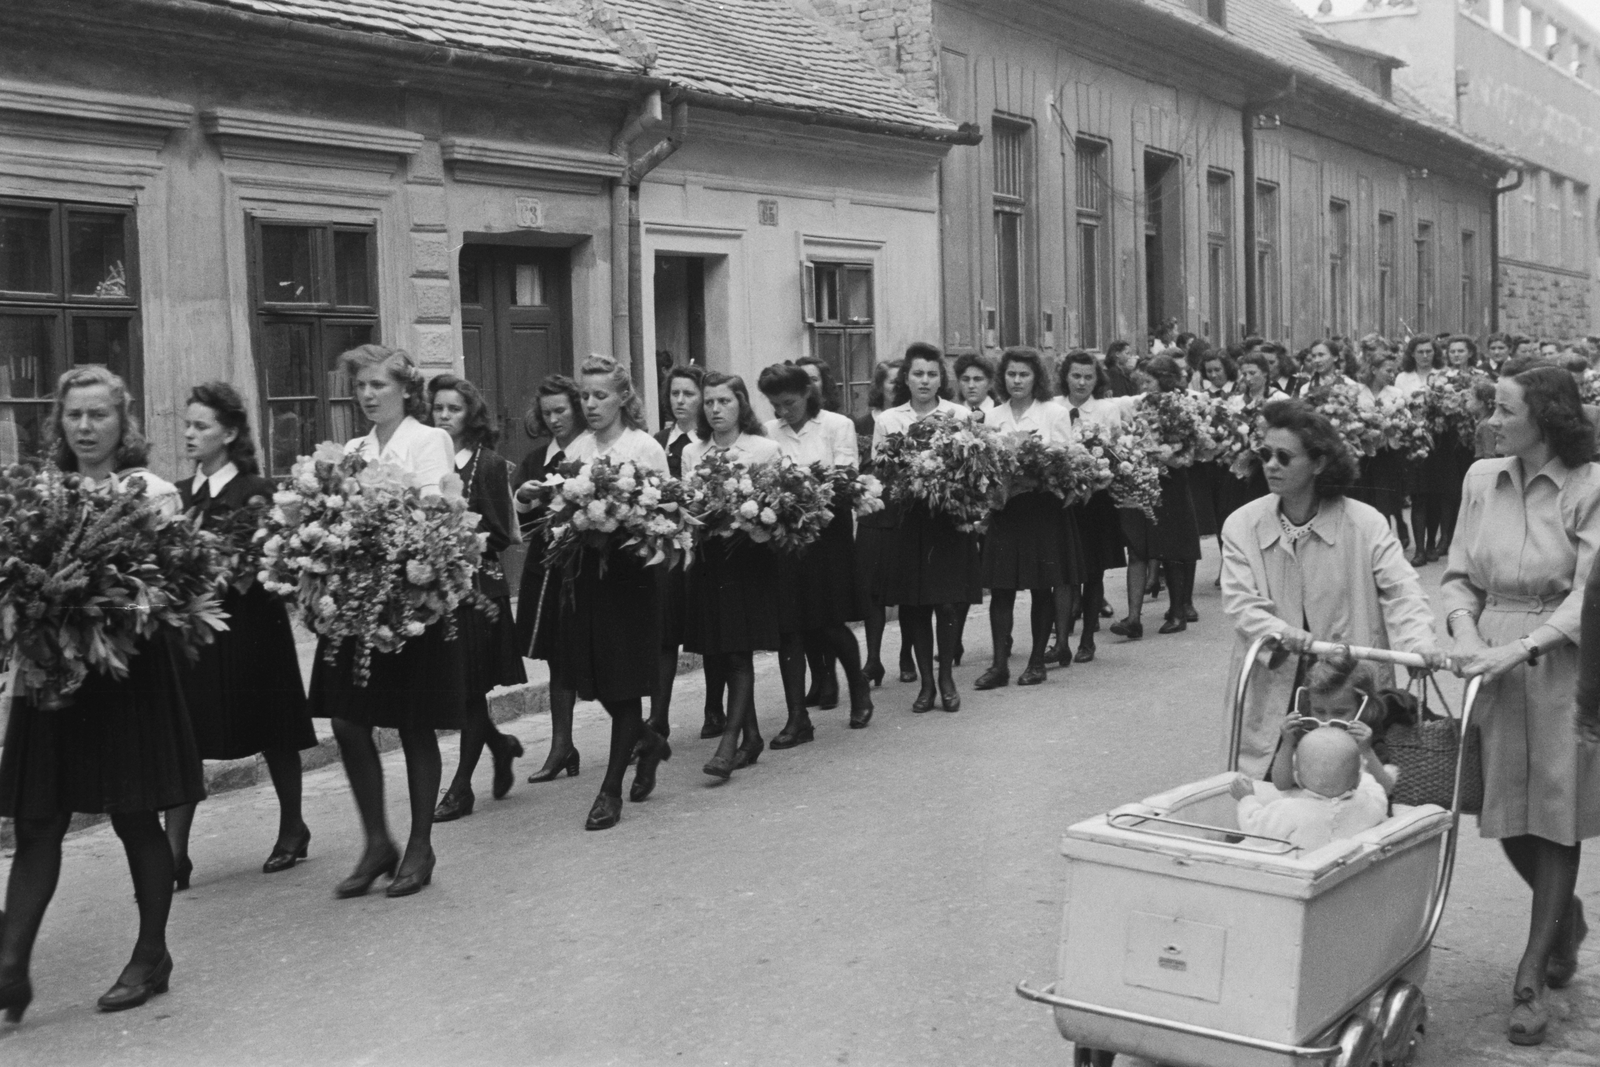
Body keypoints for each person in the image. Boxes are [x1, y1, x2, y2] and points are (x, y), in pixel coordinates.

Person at [0, 367, 204, 1021]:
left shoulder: (149, 491)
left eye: (98, 415)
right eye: (74, 416)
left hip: (125, 679)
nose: (85, 427)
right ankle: (10, 965)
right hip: (50, 678)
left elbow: (164, 591)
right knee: (37, 821)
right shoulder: (41, 492)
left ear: (124, 421)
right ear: (57, 423)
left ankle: (151, 954)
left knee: (134, 814)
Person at [1444, 365, 1600, 1046]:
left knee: (1555, 814)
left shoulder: (1589, 486)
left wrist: (1524, 646)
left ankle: (1532, 975)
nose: (1493, 419)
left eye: (1505, 409)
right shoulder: (1481, 479)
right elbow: (1457, 576)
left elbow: (1588, 592)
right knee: (1506, 813)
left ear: (1545, 416)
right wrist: (1463, 632)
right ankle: (1563, 914)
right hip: (1494, 662)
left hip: (1566, 660)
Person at [309, 345, 464, 898]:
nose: (368, 395)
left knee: (413, 722)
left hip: (410, 603)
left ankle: (420, 845)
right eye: (361, 387)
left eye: (378, 385)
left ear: (404, 388)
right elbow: (330, 511)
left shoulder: (428, 439)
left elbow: (435, 513)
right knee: (349, 722)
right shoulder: (351, 448)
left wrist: (374, 519)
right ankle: (377, 840)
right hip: (358, 605)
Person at [1220, 398, 1442, 778]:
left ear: (1319, 462)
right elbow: (1241, 603)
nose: (1271, 465)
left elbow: (1402, 588)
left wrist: (1418, 643)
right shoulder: (1242, 524)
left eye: (1284, 457)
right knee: (1273, 787)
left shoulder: (1364, 522)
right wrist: (1281, 632)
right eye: (1265, 454)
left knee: (1351, 788)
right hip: (1277, 679)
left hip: (1346, 685)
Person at [166, 383, 315, 888]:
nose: (189, 433)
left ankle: (293, 827)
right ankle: (174, 855)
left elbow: (260, 565)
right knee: (184, 738)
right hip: (196, 637)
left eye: (201, 425)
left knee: (273, 730)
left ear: (228, 433)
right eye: (187, 424)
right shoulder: (177, 496)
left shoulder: (257, 492)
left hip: (253, 631)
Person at [550, 355, 674, 829]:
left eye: (601, 395)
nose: (591, 403)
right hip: (585, 577)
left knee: (623, 685)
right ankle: (650, 741)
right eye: (585, 395)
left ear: (623, 397)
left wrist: (627, 515)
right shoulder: (579, 445)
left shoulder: (644, 447)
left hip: (631, 577)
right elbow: (565, 507)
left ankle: (610, 792)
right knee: (595, 680)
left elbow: (666, 513)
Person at [429, 375, 527, 822]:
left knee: (469, 690)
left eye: (454, 409)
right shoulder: (427, 462)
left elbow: (503, 535)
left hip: (477, 590)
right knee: (456, 689)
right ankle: (500, 745)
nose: (445, 417)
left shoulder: (486, 465)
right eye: (439, 409)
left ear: (471, 416)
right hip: (436, 591)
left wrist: (457, 535)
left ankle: (461, 787)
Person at [759, 364, 874, 742]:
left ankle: (858, 687)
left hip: (828, 536)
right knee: (789, 628)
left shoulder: (836, 425)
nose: (782, 412)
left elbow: (846, 478)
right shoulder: (769, 432)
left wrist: (801, 489)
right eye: (775, 404)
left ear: (808, 393)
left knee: (828, 622)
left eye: (789, 402)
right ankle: (797, 719)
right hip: (786, 541)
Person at [684, 373, 783, 777]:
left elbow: (779, 509)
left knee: (739, 652)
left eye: (724, 401)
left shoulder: (764, 449)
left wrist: (750, 522)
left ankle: (729, 743)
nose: (715, 409)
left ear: (741, 403)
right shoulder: (695, 453)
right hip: (709, 560)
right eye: (709, 403)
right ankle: (753, 736)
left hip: (746, 558)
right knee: (723, 653)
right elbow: (687, 503)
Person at [874, 343, 981, 712]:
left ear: (941, 378)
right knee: (915, 607)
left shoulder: (958, 414)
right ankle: (926, 684)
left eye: (932, 374)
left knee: (948, 604)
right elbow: (882, 470)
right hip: (910, 521)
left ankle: (947, 676)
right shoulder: (890, 419)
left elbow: (973, 467)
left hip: (947, 520)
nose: (924, 380)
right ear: (906, 377)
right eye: (917, 373)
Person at [978, 348, 1078, 687]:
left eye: (1024, 374)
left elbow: (1065, 464)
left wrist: (1035, 472)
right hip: (1006, 511)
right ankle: (999, 665)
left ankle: (1036, 662)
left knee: (1040, 587)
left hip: (1041, 510)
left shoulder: (1053, 413)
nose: (1017, 380)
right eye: (1011, 374)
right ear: (1002, 378)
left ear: (1037, 377)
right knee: (1002, 589)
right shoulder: (993, 416)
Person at [513, 375, 586, 784]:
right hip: (548, 567)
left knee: (594, 653)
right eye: (547, 413)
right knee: (559, 655)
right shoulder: (538, 458)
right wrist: (524, 496)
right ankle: (562, 745)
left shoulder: (593, 451)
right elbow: (519, 522)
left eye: (561, 410)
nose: (555, 419)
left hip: (587, 564)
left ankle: (641, 733)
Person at [652, 364, 723, 741]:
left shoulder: (708, 442)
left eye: (689, 394)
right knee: (665, 634)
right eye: (675, 394)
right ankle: (658, 717)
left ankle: (714, 707)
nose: (680, 401)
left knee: (707, 631)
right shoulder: (658, 440)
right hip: (667, 550)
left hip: (701, 547)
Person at [1110, 355, 1202, 638]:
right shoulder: (1137, 405)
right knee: (1137, 548)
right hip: (1139, 481)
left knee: (1172, 549)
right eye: (1143, 380)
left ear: (1164, 380)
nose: (1144, 385)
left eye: (1149, 380)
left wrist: (1167, 454)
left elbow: (1188, 450)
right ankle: (1133, 618)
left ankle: (1177, 612)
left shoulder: (1180, 407)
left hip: (1170, 483)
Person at [1052, 350, 1129, 663]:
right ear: (1065, 377)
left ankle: (1087, 640)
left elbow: (1116, 450)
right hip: (1065, 500)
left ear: (1097, 380)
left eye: (1088, 377)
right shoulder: (1054, 408)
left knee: (1094, 570)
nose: (1081, 382)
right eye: (1075, 376)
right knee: (1067, 571)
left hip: (1096, 499)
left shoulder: (1106, 410)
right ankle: (1061, 640)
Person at [1230, 729, 1388, 852]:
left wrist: (1247, 799)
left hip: (1296, 874)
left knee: (1242, 843)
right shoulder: (1368, 802)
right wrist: (1364, 776)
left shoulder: (1289, 810)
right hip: (1340, 873)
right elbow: (1377, 792)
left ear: (1297, 779)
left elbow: (1255, 830)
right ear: (1358, 779)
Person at [853, 359, 912, 686]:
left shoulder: (909, 419)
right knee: (872, 589)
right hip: (873, 512)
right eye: (889, 381)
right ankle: (873, 659)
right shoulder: (862, 423)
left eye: (899, 380)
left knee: (903, 586)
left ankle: (906, 654)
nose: (895, 386)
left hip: (902, 510)